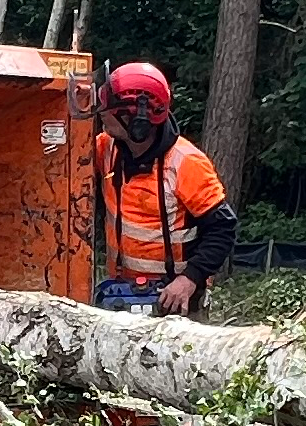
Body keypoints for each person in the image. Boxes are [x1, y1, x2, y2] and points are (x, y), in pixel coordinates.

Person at [96, 61, 237, 314]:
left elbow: (222, 228)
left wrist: (190, 278)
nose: (102, 113)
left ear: (137, 119)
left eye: (111, 108)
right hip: (120, 291)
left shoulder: (186, 162)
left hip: (174, 296)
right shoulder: (107, 148)